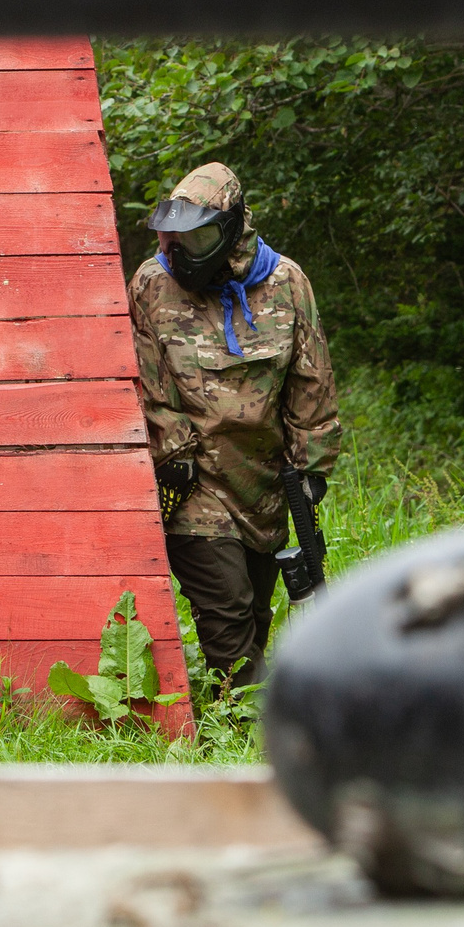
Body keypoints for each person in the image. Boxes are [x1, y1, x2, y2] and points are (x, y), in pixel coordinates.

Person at [129, 162, 341, 693]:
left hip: (266, 481)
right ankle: (249, 723)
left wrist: (311, 468)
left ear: (231, 227)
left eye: (197, 237)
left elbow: (311, 378)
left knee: (256, 613)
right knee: (227, 609)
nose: (181, 251)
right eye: (174, 238)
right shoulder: (153, 285)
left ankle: (241, 708)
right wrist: (171, 449)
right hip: (193, 479)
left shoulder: (288, 283)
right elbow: (146, 382)